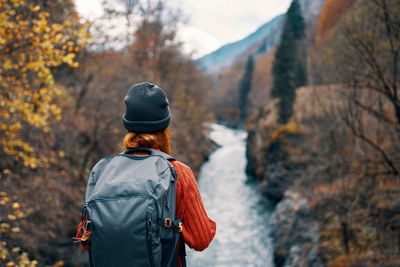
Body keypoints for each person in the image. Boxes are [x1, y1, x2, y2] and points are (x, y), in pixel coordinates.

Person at [76, 82, 216, 267]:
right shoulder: (178, 172)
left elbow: (85, 238)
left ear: (128, 127)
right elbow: (201, 239)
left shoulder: (102, 170)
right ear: (165, 128)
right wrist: (175, 227)